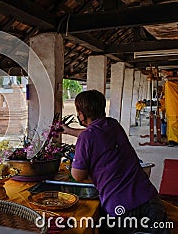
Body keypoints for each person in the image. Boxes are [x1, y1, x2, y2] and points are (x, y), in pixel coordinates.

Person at [62, 90, 168, 233]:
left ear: (81, 113)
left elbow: (77, 175)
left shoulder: (87, 138)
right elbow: (93, 134)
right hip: (150, 199)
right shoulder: (113, 125)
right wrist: (68, 131)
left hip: (122, 209)